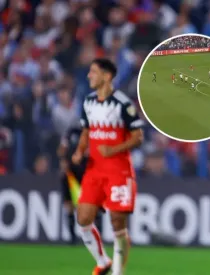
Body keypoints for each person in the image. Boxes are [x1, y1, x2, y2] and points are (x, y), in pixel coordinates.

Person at [73, 58, 144, 275]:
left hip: (118, 171)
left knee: (117, 223)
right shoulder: (88, 102)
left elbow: (138, 137)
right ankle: (103, 261)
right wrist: (79, 151)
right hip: (94, 170)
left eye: (93, 72)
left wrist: (112, 150)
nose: (89, 76)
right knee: (83, 219)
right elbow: (86, 131)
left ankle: (117, 273)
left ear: (107, 76)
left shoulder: (123, 103)